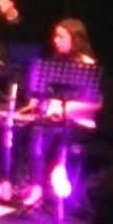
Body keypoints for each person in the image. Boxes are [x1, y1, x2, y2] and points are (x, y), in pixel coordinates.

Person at [21, 19, 98, 210]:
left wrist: (66, 109)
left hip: (78, 121)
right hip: (56, 119)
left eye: (61, 36)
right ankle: (36, 188)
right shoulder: (55, 64)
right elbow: (45, 94)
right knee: (38, 129)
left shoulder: (87, 66)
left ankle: (54, 191)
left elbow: (94, 104)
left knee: (51, 132)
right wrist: (38, 103)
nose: (55, 40)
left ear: (75, 39)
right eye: (55, 36)